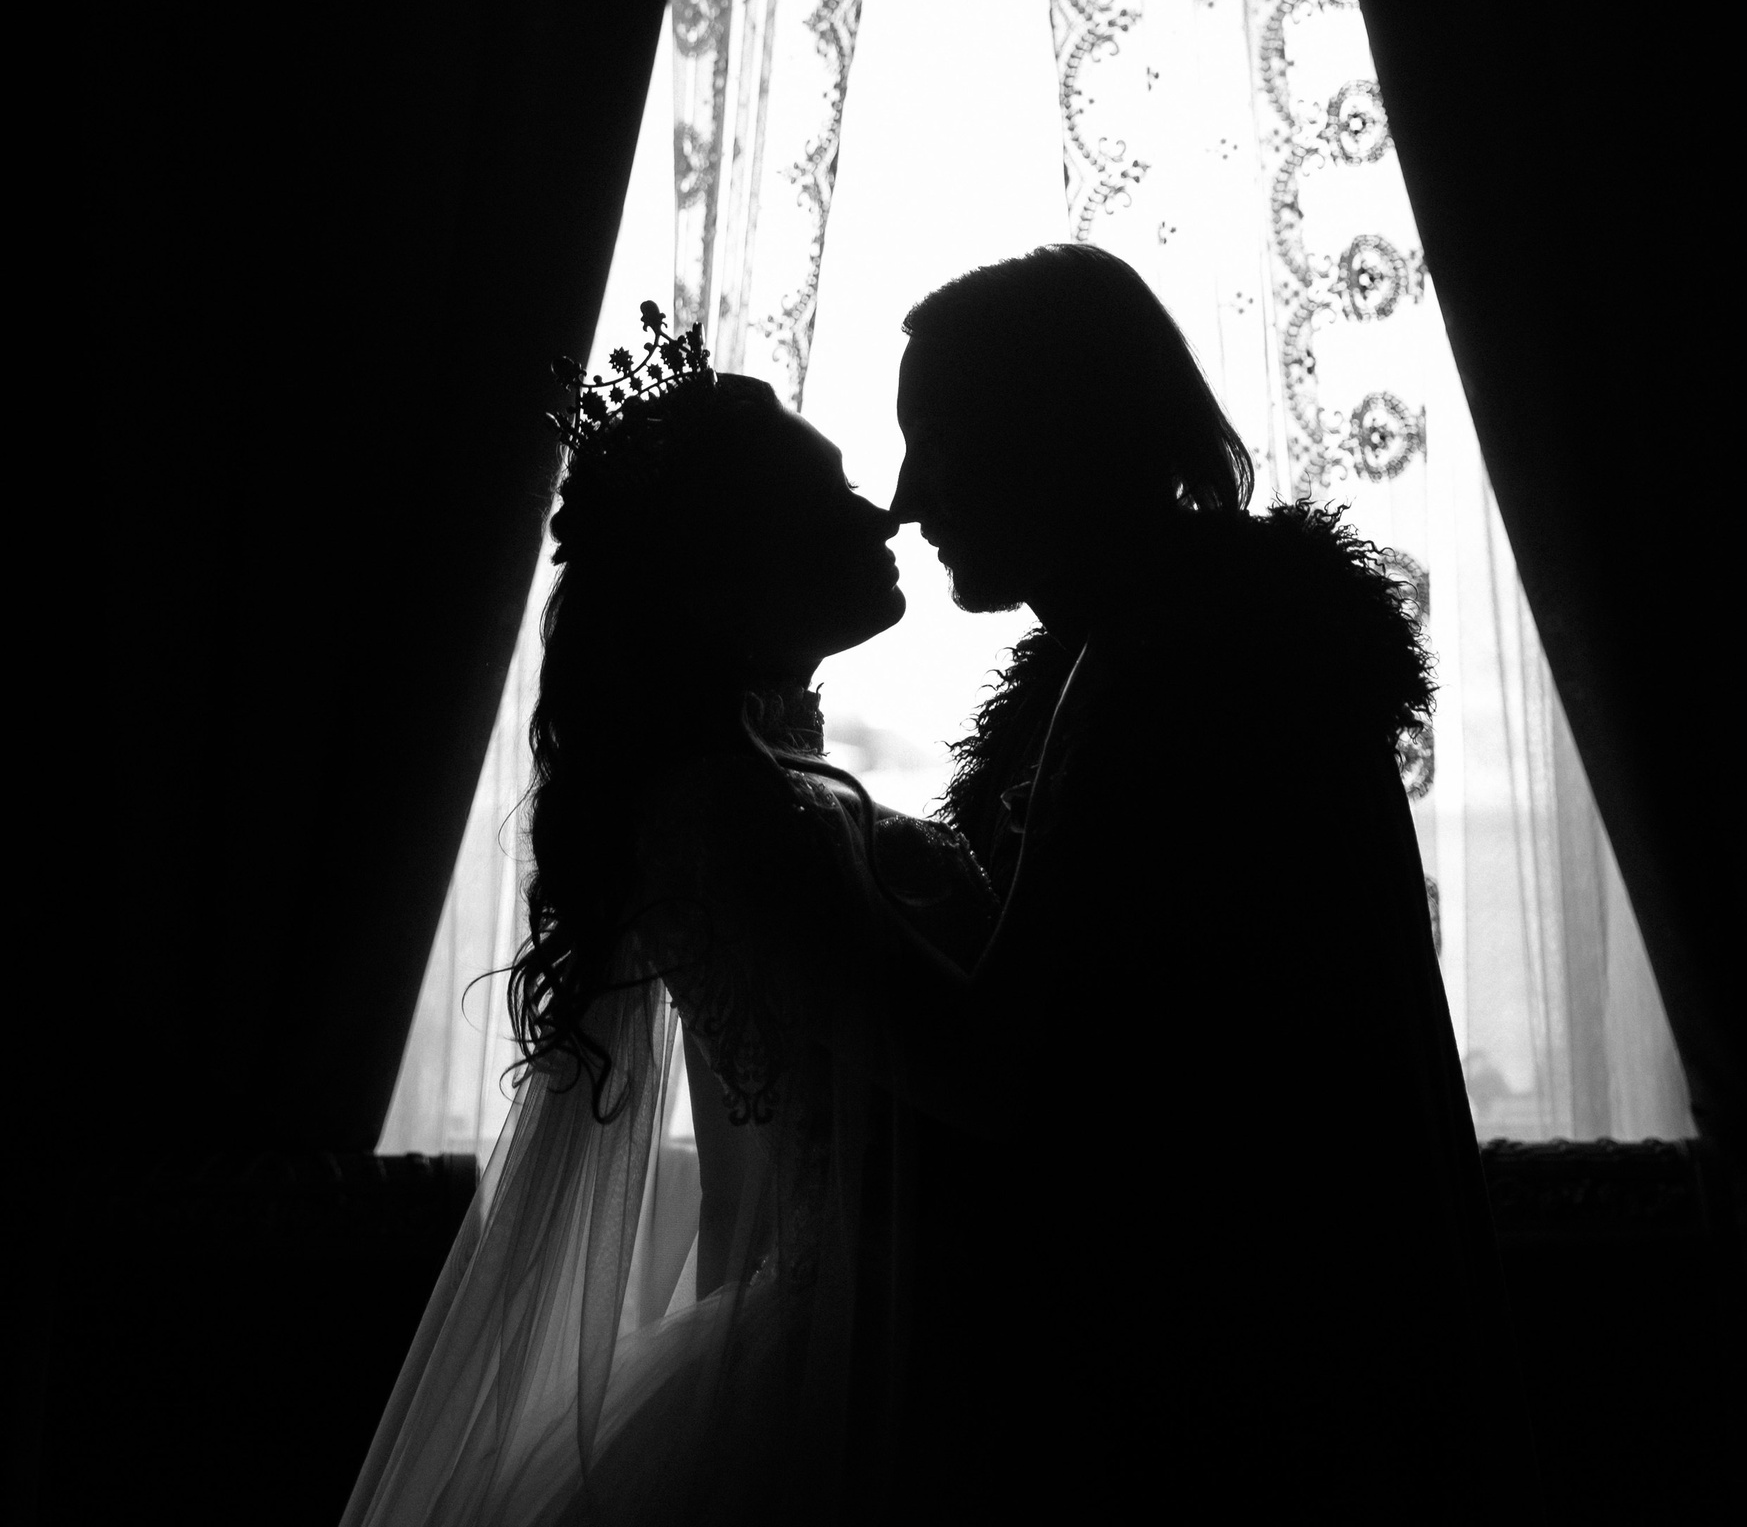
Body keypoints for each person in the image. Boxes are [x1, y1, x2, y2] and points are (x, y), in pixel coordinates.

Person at [892, 243, 1521, 1518]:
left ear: (1051, 434)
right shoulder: (1209, 635)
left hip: (1232, 1386)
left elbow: (1037, 1065)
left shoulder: (1174, 670)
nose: (906, 500)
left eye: (937, 443)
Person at [341, 309, 995, 1527]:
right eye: (830, 498)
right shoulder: (724, 811)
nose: (881, 515)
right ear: (727, 572)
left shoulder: (755, 779)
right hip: (898, 1371)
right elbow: (972, 1072)